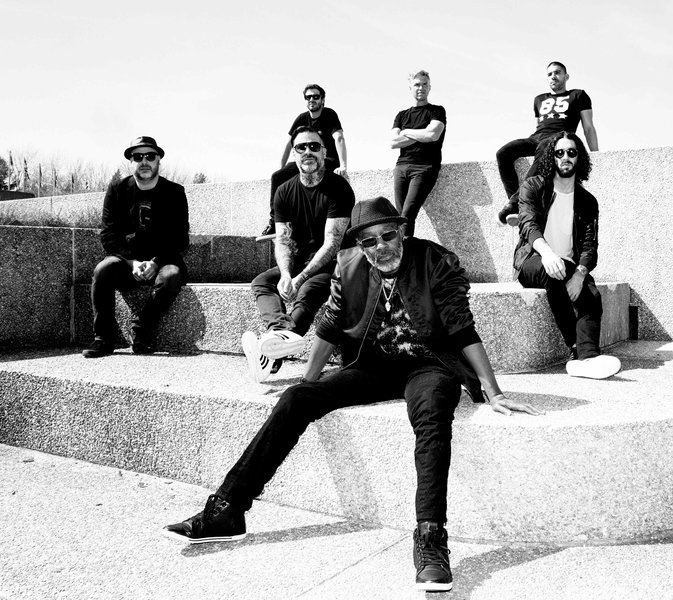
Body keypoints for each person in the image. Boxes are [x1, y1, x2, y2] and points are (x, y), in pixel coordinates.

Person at [163, 197, 542, 592]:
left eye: (387, 236)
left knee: (432, 415)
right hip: (372, 363)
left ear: (402, 232)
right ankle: (226, 511)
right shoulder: (348, 266)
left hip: (429, 364)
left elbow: (461, 328)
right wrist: (308, 384)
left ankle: (430, 541)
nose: (381, 247)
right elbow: (329, 327)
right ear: (360, 245)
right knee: (295, 399)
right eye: (369, 241)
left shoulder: (435, 260)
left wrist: (493, 391)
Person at [241, 126, 354, 382]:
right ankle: (278, 336)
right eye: (301, 147)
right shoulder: (284, 191)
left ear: (324, 152)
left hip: (332, 264)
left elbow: (332, 243)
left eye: (314, 146)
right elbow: (283, 239)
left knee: (307, 291)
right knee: (262, 282)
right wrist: (285, 273)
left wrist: (299, 277)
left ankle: (270, 356)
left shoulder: (339, 188)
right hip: (298, 261)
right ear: (294, 153)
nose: (308, 151)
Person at [514, 131, 620, 380]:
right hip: (533, 260)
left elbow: (590, 245)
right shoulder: (533, 186)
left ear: (579, 157)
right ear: (551, 157)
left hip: (569, 264)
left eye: (571, 152)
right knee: (552, 271)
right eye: (559, 152)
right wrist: (547, 253)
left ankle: (589, 357)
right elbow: (528, 224)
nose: (565, 157)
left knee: (591, 294)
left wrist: (580, 275)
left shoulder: (587, 200)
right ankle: (576, 350)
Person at [82, 136, 189, 358]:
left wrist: (156, 262)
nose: (144, 161)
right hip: (127, 262)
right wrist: (132, 262)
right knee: (103, 269)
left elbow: (179, 239)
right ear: (130, 162)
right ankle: (103, 339)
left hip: (163, 261)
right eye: (138, 157)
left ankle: (141, 330)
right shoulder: (117, 190)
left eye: (150, 156)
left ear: (158, 160)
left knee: (172, 275)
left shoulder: (175, 192)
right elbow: (108, 235)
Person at [496, 61, 599, 227]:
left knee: (545, 147)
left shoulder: (578, 95)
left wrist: (596, 154)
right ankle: (520, 205)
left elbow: (588, 127)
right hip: (537, 137)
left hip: (559, 137)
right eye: (550, 74)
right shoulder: (539, 99)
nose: (553, 76)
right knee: (503, 153)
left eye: (557, 72)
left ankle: (514, 204)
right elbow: (539, 126)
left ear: (566, 76)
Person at [260, 84, 348, 236]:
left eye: (315, 96)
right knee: (277, 176)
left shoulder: (329, 114)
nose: (311, 99)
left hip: (326, 159)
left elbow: (339, 137)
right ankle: (274, 222)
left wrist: (344, 166)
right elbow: (288, 145)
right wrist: (282, 169)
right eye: (308, 97)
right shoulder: (301, 118)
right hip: (305, 160)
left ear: (322, 100)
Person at [390, 70, 446, 238]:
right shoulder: (402, 115)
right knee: (400, 218)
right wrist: (422, 134)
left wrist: (406, 132)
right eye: (417, 84)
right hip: (401, 167)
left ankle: (405, 252)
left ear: (429, 87)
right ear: (410, 87)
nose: (421, 88)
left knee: (407, 215)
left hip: (424, 167)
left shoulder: (437, 111)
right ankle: (403, 251)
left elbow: (432, 135)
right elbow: (393, 142)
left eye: (424, 84)